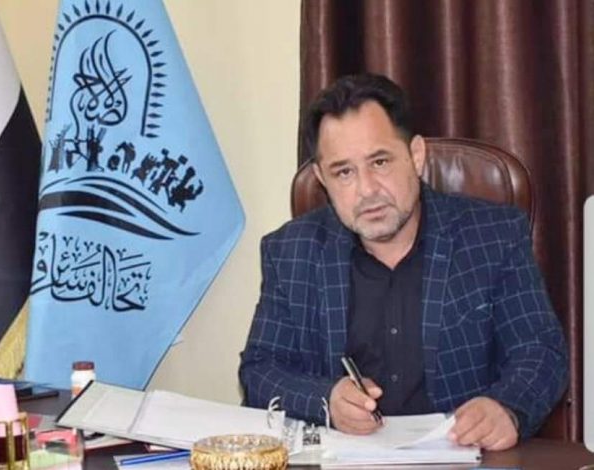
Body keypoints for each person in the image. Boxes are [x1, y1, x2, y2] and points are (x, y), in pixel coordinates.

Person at [238, 73, 568, 451]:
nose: (366, 190)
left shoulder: (493, 235)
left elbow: (541, 351)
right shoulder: (290, 251)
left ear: (416, 155)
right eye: (344, 172)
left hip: (462, 457)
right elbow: (260, 370)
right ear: (321, 178)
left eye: (380, 162)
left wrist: (506, 407)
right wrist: (326, 398)